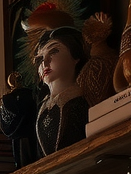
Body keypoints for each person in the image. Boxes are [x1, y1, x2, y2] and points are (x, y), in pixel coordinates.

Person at [33, 26, 89, 155]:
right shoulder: (43, 107)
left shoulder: (79, 100)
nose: (45, 62)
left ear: (76, 57)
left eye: (54, 51)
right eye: (40, 58)